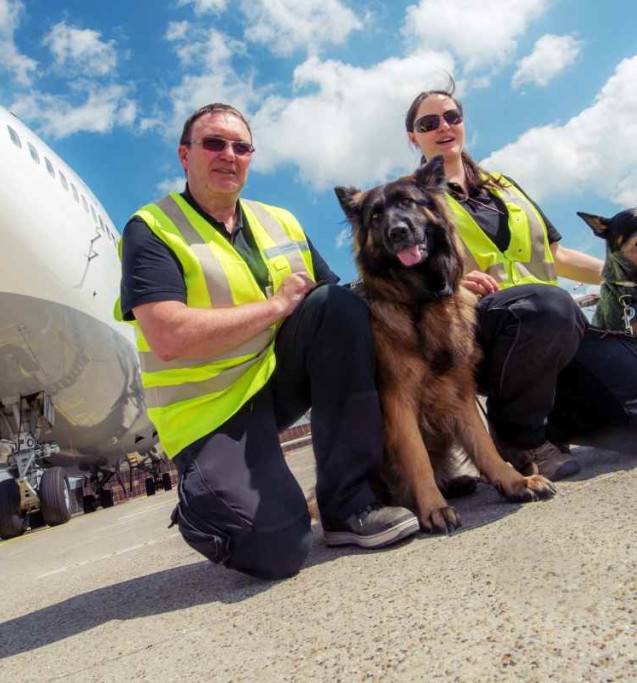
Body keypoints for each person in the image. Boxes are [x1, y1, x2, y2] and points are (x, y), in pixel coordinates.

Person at [117, 103, 419, 580]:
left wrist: (437, 288)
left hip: (274, 383)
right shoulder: (151, 229)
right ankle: (204, 500)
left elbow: (337, 304)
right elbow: (167, 335)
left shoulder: (279, 220)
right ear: (184, 155)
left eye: (241, 147)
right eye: (213, 143)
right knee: (279, 550)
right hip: (210, 412)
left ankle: (348, 506)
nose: (228, 155)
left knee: (338, 310)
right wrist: (276, 308)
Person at [403, 83, 637, 480]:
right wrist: (455, 284)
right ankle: (517, 435)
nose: (443, 126)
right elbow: (403, 281)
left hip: (557, 326)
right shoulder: (409, 201)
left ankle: (550, 422)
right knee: (547, 304)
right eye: (429, 123)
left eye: (452, 117)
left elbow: (557, 256)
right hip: (483, 333)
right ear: (414, 137)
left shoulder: (505, 186)